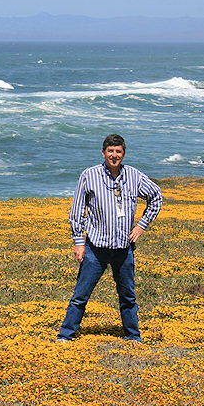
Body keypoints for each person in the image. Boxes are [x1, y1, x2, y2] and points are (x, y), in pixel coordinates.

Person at [57, 134, 163, 342]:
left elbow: (156, 197)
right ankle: (65, 335)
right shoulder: (89, 175)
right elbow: (77, 210)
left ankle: (133, 337)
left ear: (123, 154)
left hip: (124, 249)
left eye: (118, 151)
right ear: (103, 153)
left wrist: (142, 225)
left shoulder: (134, 176)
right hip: (96, 249)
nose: (114, 155)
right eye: (110, 151)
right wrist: (79, 242)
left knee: (128, 296)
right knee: (80, 295)